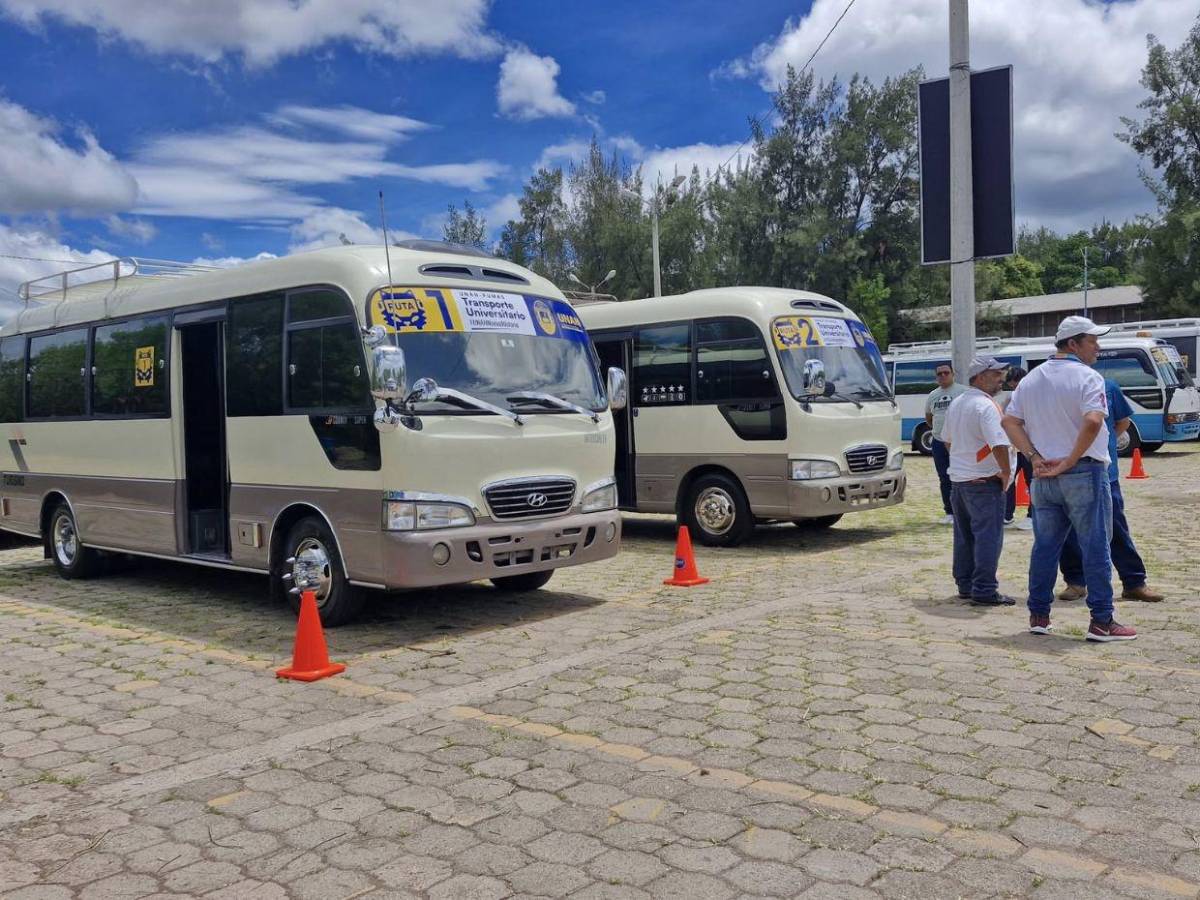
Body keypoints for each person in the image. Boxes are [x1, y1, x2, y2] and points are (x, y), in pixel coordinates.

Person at [1002, 315, 1137, 642]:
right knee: (1095, 548)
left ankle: (1039, 615)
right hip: (1082, 472)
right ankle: (1102, 621)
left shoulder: (1031, 380)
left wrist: (1033, 457)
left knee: (1045, 547)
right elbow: (1093, 421)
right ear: (1073, 344)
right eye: (1092, 341)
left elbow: (1009, 422)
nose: (1098, 347)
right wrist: (1070, 461)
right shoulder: (1088, 377)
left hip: (1043, 475)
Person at [1057, 376, 1164, 603]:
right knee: (1069, 531)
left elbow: (1122, 422)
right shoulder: (1057, 387)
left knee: (1116, 528)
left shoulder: (1107, 386)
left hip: (1105, 472)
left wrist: (1102, 443)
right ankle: (1076, 581)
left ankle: (1134, 582)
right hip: (1067, 472)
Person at [942, 356, 1015, 605]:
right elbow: (999, 443)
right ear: (980, 377)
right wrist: (1006, 472)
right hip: (984, 483)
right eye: (996, 374)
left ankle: (965, 585)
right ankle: (984, 589)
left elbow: (948, 440)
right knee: (988, 537)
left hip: (960, 481)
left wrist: (965, 461)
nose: (1001, 378)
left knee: (964, 537)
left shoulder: (958, 403)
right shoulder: (987, 406)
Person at [926, 363, 966, 524]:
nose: (943, 376)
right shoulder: (933, 395)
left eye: (946, 373)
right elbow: (929, 418)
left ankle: (963, 511)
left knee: (961, 476)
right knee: (944, 477)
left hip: (959, 442)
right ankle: (949, 511)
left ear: (953, 374)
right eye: (939, 374)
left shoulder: (963, 392)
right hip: (938, 441)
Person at [999, 366, 1034, 531]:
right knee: (1009, 481)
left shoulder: (1034, 396)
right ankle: (1006, 514)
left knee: (1032, 481)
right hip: (1013, 447)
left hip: (1030, 447)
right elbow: (1003, 419)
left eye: (1017, 384)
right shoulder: (1009, 398)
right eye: (1012, 386)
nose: (1015, 389)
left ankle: (1032, 515)